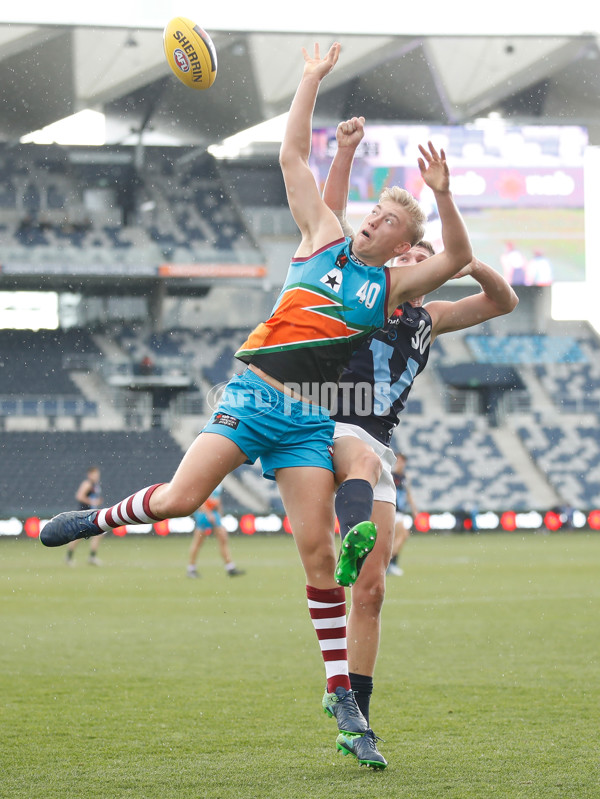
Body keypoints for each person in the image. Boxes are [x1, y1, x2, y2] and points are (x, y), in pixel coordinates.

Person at [39, 43, 472, 769]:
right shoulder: (321, 236)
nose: (372, 223)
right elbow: (291, 156)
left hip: (307, 419)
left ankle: (344, 700)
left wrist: (443, 193)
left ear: (403, 242)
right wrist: (308, 79)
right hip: (250, 397)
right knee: (180, 499)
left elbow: (457, 260)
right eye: (372, 213)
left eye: (389, 223)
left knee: (320, 553)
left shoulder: (388, 291)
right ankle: (97, 518)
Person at [323, 115, 518, 767]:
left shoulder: (429, 315)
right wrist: (348, 156)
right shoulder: (369, 287)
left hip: (382, 443)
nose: (411, 265)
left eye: (419, 258)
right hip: (338, 420)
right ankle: (348, 534)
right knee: (359, 548)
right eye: (407, 257)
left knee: (373, 592)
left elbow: (504, 300)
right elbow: (332, 223)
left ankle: (358, 725)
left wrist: (465, 257)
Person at [187, 485, 245, 578]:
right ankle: (191, 568)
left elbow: (217, 500)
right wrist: (208, 514)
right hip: (203, 514)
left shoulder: (218, 483)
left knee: (223, 539)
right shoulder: (205, 480)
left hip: (214, 513)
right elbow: (200, 500)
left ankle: (230, 567)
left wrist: (219, 514)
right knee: (198, 542)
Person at [64, 466, 104, 566]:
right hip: (84, 514)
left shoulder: (95, 485)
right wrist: (92, 501)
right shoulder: (87, 484)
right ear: (89, 475)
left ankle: (92, 556)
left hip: (92, 514)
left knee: (99, 533)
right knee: (79, 536)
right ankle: (69, 557)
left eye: (97, 474)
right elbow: (79, 496)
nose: (97, 476)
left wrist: (96, 502)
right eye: (95, 474)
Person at [387, 452, 418, 577]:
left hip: (399, 511)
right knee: (403, 535)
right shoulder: (391, 475)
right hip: (392, 509)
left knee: (397, 538)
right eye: (398, 461)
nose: (400, 464)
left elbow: (408, 494)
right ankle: (389, 562)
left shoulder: (405, 477)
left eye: (402, 461)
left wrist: (414, 509)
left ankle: (391, 563)